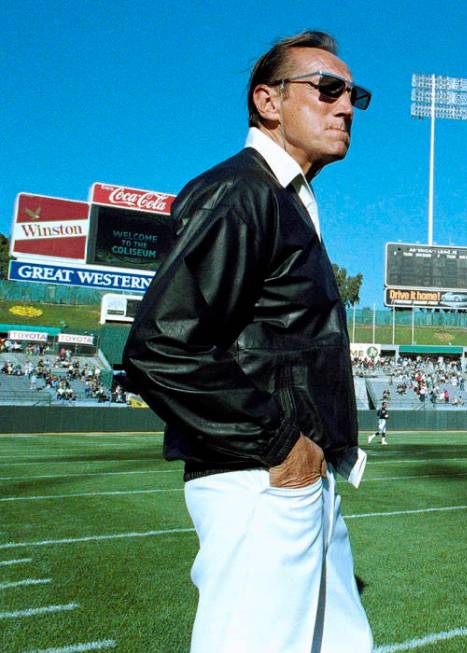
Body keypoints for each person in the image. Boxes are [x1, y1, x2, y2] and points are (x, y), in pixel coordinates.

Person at [122, 31, 373, 653]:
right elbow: (161, 346)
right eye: (327, 89)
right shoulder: (241, 192)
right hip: (261, 476)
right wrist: (283, 447)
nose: (346, 106)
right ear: (268, 101)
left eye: (354, 94)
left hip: (294, 475)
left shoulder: (284, 197)